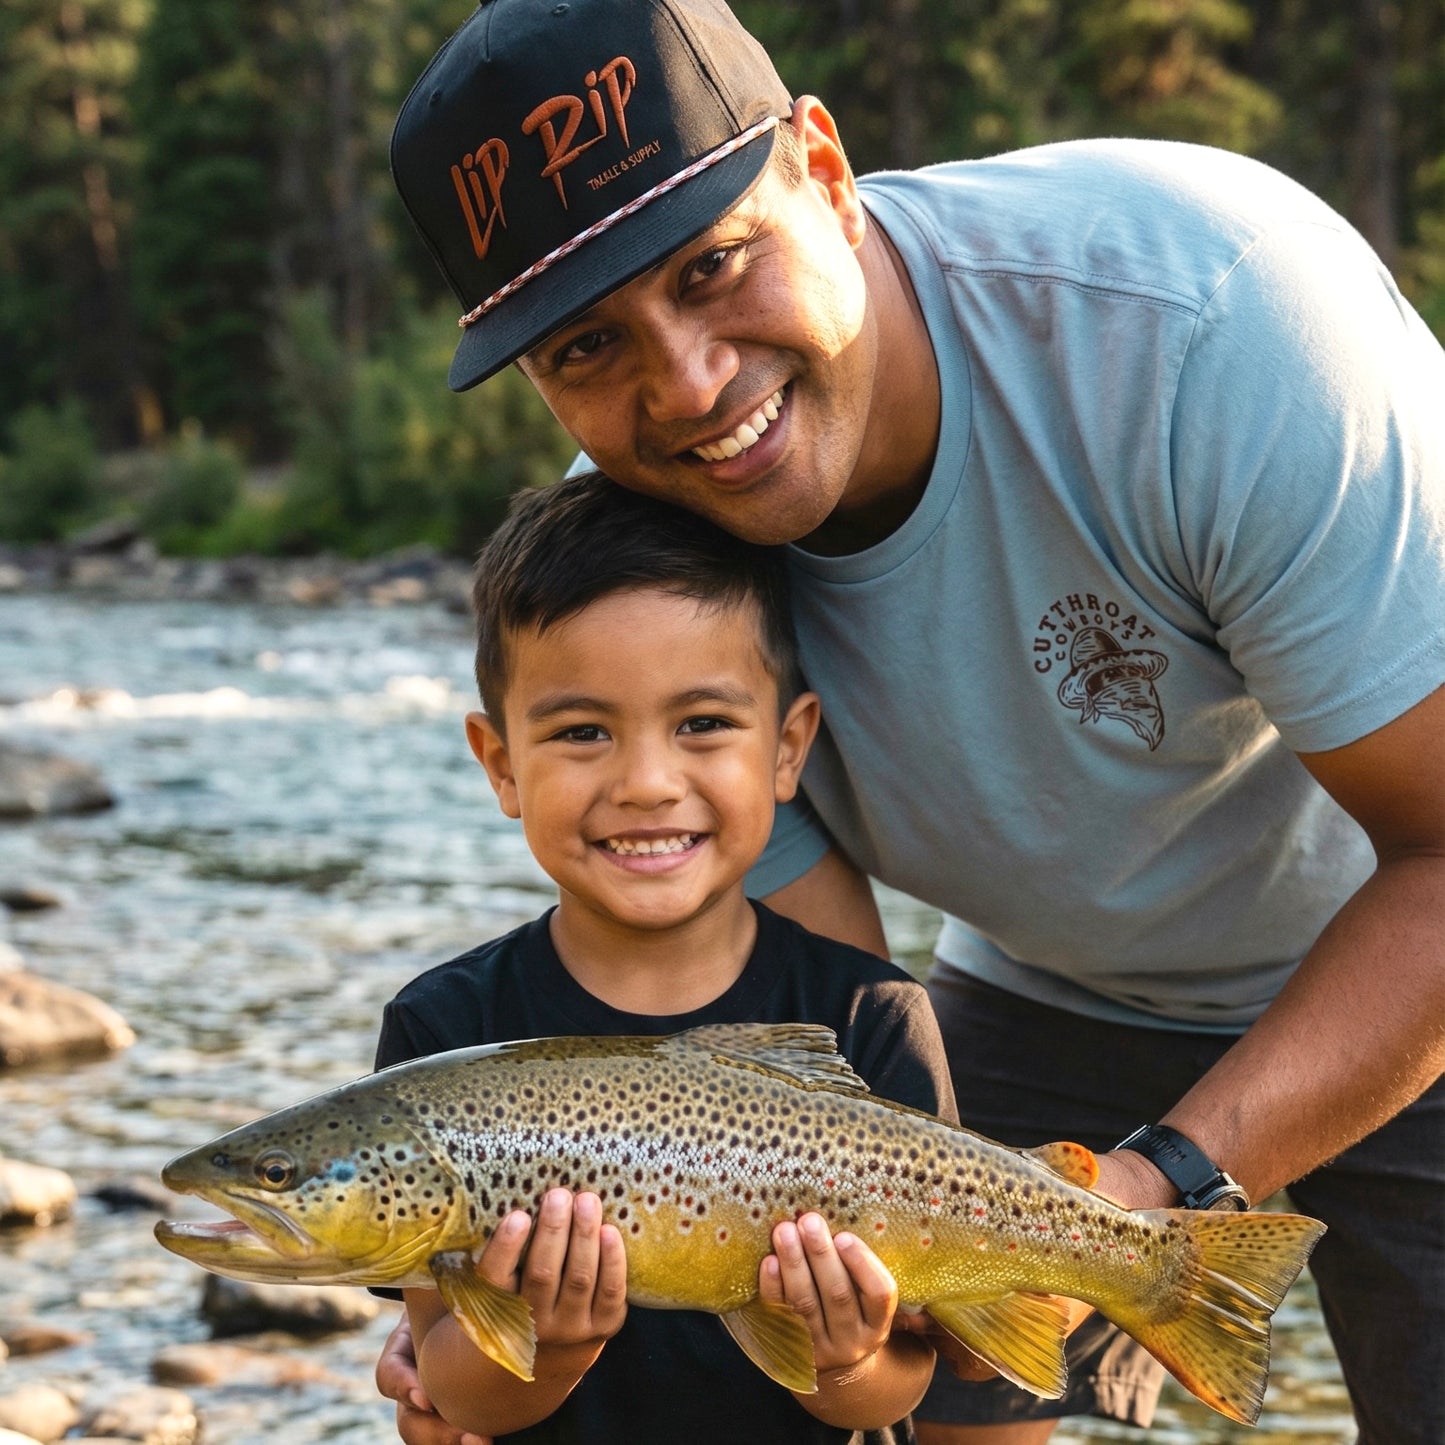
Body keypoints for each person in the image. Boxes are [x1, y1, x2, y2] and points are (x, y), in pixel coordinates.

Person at [381, 1, 1445, 1441]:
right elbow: (815, 1026)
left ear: (822, 166)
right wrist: (478, 1358)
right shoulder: (660, 572)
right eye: (586, 348)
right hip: (1043, 982)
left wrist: (1161, 1187)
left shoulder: (1214, 328)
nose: (690, 387)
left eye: (714, 264)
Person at [372, 469, 953, 1444]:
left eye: (701, 724)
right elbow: (451, 1392)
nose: (645, 781)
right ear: (499, 761)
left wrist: (844, 1354)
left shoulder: (872, 1016)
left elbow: (899, 1386)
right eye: (582, 730)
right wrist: (545, 1345)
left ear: (787, 745)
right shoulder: (443, 1030)